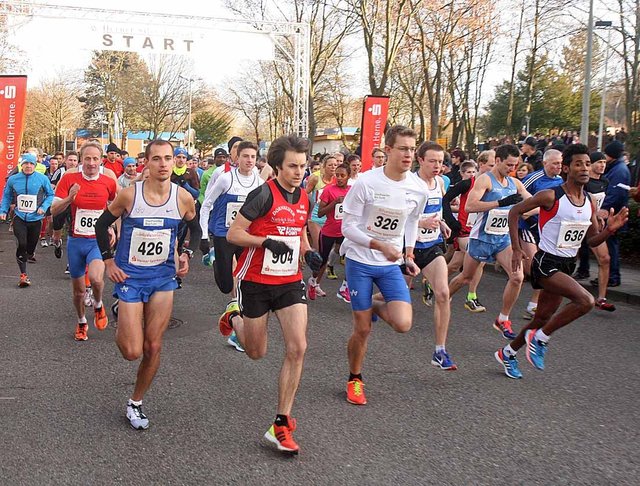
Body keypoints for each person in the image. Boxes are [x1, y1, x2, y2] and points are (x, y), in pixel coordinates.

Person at [218, 135, 320, 455]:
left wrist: (308, 252)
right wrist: (265, 242)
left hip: (289, 281)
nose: (298, 172)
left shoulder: (304, 197)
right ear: (277, 167)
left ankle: (281, 422)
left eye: (302, 166)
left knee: (298, 347)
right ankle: (234, 316)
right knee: (256, 352)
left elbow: (299, 229)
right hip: (256, 281)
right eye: (292, 166)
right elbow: (234, 233)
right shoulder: (262, 194)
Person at [495, 144, 628, 379]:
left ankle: (508, 352)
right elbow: (515, 211)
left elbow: (592, 241)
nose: (585, 168)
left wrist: (609, 230)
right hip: (546, 263)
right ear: (566, 169)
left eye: (587, 164)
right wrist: (516, 248)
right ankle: (541, 339)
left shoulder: (589, 202)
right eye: (578, 164)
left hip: (567, 265)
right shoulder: (551, 195)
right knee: (585, 301)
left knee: (541, 318)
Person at [94, 139, 200, 429]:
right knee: (132, 351)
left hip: (163, 278)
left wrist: (186, 254)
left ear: (174, 161)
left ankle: (136, 402)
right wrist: (108, 262)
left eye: (168, 158)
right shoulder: (130, 195)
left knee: (153, 345)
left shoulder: (182, 197)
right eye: (157, 159)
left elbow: (195, 227)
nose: (163, 164)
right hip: (130, 277)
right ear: (147, 163)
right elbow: (101, 225)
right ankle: (121, 310)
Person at [340, 125, 426, 406]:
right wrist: (379, 245)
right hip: (360, 261)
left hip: (391, 263)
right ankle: (355, 378)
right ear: (388, 150)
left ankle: (375, 305)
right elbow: (347, 227)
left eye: (412, 149)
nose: (408, 155)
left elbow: (411, 221)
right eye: (403, 149)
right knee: (363, 329)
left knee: (403, 323)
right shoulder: (366, 183)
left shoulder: (417, 187)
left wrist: (409, 254)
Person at [448, 144, 531, 339]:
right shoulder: (485, 180)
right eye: (509, 165)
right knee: (466, 277)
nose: (512, 169)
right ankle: (444, 298)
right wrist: (500, 203)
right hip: (481, 239)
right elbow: (469, 206)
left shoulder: (515, 183)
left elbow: (533, 203)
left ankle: (503, 319)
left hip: (503, 239)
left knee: (517, 277)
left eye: (515, 165)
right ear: (498, 160)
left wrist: (527, 208)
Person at [199, 140, 264, 351]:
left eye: (253, 157)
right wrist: (203, 235)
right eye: (245, 156)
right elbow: (206, 205)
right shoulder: (226, 178)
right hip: (223, 235)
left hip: (245, 236)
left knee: (244, 281)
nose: (249, 160)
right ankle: (215, 259)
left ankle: (237, 321)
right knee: (226, 285)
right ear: (237, 158)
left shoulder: (259, 182)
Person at [51, 142, 117, 341]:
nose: (91, 163)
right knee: (79, 292)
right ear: (81, 160)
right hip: (76, 241)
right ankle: (81, 322)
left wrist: (112, 228)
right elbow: (54, 210)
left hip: (97, 240)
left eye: (95, 158)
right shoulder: (69, 179)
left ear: (101, 160)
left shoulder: (108, 182)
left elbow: (114, 207)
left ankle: (98, 304)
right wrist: (69, 198)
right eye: (87, 158)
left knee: (96, 278)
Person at [408, 142, 456, 369]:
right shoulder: (409, 183)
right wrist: (421, 222)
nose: (438, 166)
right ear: (420, 160)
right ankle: (371, 304)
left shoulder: (439, 182)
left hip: (431, 246)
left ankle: (440, 351)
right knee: (393, 296)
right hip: (407, 247)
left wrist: (442, 223)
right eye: (432, 161)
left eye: (441, 161)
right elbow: (401, 216)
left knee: (443, 293)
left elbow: (436, 210)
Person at [443, 152, 496, 312]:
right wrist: (452, 222)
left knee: (455, 265)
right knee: (479, 258)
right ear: (481, 164)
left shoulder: (495, 185)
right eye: (491, 165)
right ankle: (471, 297)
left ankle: (433, 282)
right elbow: (445, 200)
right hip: (464, 230)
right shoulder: (468, 183)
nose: (494, 168)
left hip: (481, 230)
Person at [518, 149, 564, 319]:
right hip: (528, 227)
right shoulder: (534, 178)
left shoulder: (561, 181)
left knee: (540, 267)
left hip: (546, 230)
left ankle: (534, 305)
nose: (559, 166)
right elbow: (518, 197)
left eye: (560, 163)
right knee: (534, 267)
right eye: (555, 163)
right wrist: (528, 212)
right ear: (545, 163)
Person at [0, 153, 54, 286]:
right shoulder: (13, 179)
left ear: (35, 165)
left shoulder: (42, 179)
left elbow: (50, 195)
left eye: (31, 163)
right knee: (21, 244)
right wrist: (3, 211)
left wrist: (43, 207)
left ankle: (30, 253)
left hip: (36, 218)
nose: (28, 166)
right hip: (19, 217)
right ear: (21, 165)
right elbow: (7, 196)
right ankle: (23, 275)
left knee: (30, 247)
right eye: (26, 163)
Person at [574, 152, 616, 311]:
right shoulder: (582, 181)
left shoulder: (605, 181)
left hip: (594, 226)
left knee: (605, 258)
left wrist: (602, 213)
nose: (602, 165)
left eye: (604, 162)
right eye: (599, 162)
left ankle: (601, 298)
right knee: (568, 259)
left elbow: (602, 203)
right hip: (577, 224)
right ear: (590, 165)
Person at [308, 163, 351, 302]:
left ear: (348, 176)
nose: (339, 178)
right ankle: (313, 282)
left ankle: (345, 287)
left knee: (352, 258)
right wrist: (334, 203)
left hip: (345, 231)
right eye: (337, 175)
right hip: (329, 231)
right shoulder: (329, 190)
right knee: (322, 260)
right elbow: (320, 213)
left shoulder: (352, 190)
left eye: (342, 175)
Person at [600, 141, 631, 287]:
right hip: (615, 213)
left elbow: (615, 193)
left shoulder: (619, 170)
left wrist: (604, 209)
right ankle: (610, 276)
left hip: (614, 215)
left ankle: (612, 276)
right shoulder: (617, 168)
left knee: (611, 246)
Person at [305, 155, 338, 278]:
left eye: (335, 165)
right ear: (324, 166)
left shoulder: (338, 180)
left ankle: (316, 281)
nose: (333, 167)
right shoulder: (315, 178)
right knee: (319, 249)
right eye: (330, 165)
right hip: (316, 217)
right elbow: (305, 194)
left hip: (331, 217)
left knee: (326, 253)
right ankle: (312, 278)